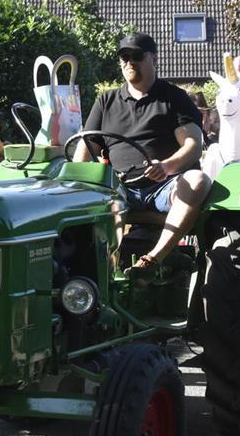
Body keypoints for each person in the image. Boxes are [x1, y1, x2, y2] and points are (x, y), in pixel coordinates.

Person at [73, 32, 211, 269]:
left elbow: (193, 146)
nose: (129, 62)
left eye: (136, 55)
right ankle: (93, 269)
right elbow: (84, 151)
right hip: (119, 189)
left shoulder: (174, 98)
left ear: (154, 59)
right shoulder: (106, 101)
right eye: (123, 57)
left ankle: (153, 258)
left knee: (198, 180)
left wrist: (166, 167)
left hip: (165, 187)